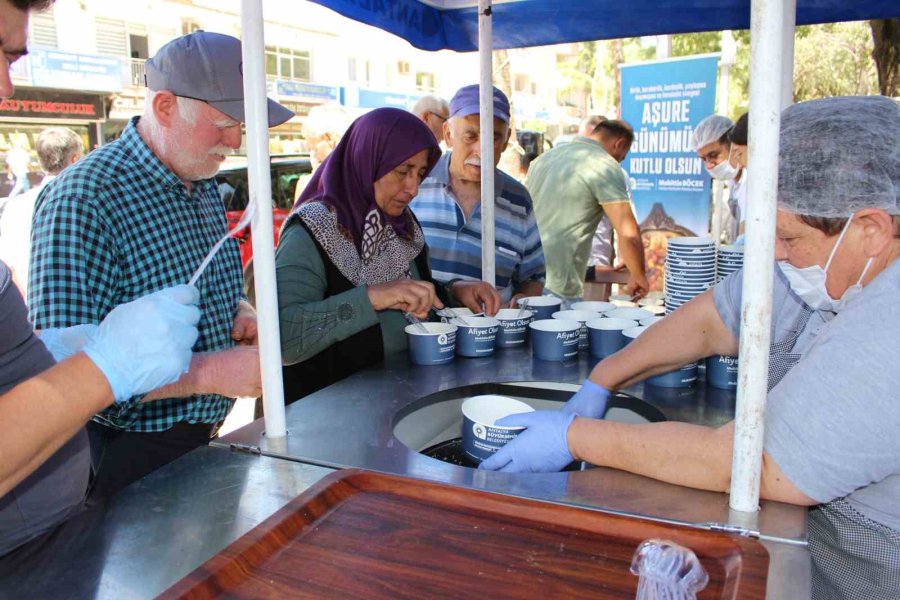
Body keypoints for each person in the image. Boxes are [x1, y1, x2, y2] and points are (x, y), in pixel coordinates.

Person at [481, 96, 900, 600]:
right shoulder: (822, 263)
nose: (776, 255)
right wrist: (605, 376)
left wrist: (575, 437)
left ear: (871, 229)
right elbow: (713, 320)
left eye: (788, 238)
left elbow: (753, 463)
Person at [28, 31, 293, 503]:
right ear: (166, 107)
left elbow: (192, 278)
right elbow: (61, 375)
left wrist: (235, 308)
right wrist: (209, 373)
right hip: (127, 457)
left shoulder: (200, 175)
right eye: (224, 122)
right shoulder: (84, 198)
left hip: (202, 440)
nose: (235, 141)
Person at [0, 0, 201, 557]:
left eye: (12, 60)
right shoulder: (82, 195)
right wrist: (106, 365)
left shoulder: (203, 190)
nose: (6, 89)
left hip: (50, 539)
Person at [276, 108, 448, 401]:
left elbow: (413, 294)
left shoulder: (404, 226)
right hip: (323, 426)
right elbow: (281, 338)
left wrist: (456, 292)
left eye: (420, 173)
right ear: (367, 159)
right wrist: (372, 298)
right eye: (402, 171)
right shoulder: (312, 230)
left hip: (396, 407)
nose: (413, 188)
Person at [410, 84, 545, 312]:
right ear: (448, 134)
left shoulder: (518, 201)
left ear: (506, 140)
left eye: (493, 138)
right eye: (470, 136)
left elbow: (533, 277)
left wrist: (521, 302)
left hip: (490, 338)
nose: (481, 150)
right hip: (422, 335)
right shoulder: (415, 184)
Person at [527, 119, 648, 302]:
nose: (619, 162)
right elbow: (627, 232)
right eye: (622, 157)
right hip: (560, 285)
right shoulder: (604, 165)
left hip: (527, 281)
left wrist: (630, 259)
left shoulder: (542, 159)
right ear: (619, 144)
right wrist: (638, 274)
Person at [0, 127, 82, 298]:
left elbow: (8, 265)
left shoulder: (15, 206)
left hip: (24, 306)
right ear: (75, 159)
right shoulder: (82, 203)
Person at [691, 114, 745, 242]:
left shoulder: (750, 183)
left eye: (713, 155)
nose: (709, 165)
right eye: (704, 159)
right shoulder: (733, 181)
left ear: (733, 146)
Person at [294, 103, 351, 200]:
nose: (314, 156)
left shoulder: (309, 185)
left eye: (314, 148)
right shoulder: (367, 177)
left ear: (329, 138)